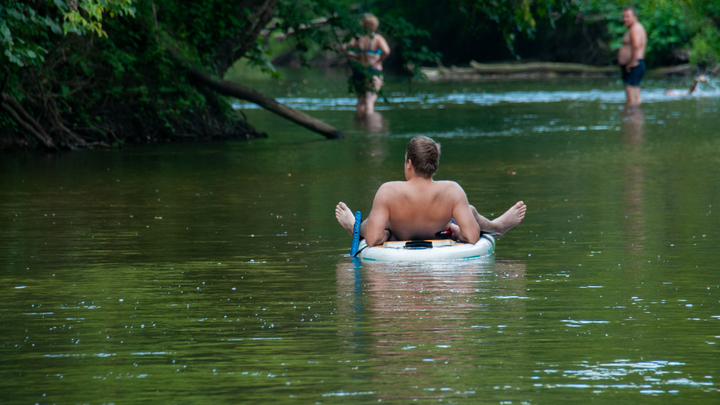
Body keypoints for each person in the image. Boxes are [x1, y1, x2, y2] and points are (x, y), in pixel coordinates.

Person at [335, 136, 526, 247]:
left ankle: (354, 227)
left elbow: (372, 240)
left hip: (400, 233)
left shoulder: (388, 191)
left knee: (376, 221)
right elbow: (472, 237)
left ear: (409, 163)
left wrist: (388, 236)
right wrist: (457, 231)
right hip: (438, 229)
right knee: (471, 211)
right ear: (435, 166)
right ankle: (495, 227)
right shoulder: (452, 190)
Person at [344, 14, 391, 116]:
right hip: (373, 70)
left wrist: (357, 56)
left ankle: (360, 128)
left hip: (359, 71)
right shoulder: (377, 38)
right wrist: (378, 60)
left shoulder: (358, 38)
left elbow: (344, 49)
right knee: (369, 101)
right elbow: (386, 51)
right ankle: (370, 129)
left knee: (360, 101)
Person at [618, 7, 647, 106]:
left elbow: (636, 45)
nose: (625, 19)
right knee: (634, 97)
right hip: (635, 64)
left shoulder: (635, 28)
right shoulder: (634, 28)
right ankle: (634, 119)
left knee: (631, 97)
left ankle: (633, 119)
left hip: (634, 65)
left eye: (627, 17)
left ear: (634, 17)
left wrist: (631, 62)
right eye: (623, 17)